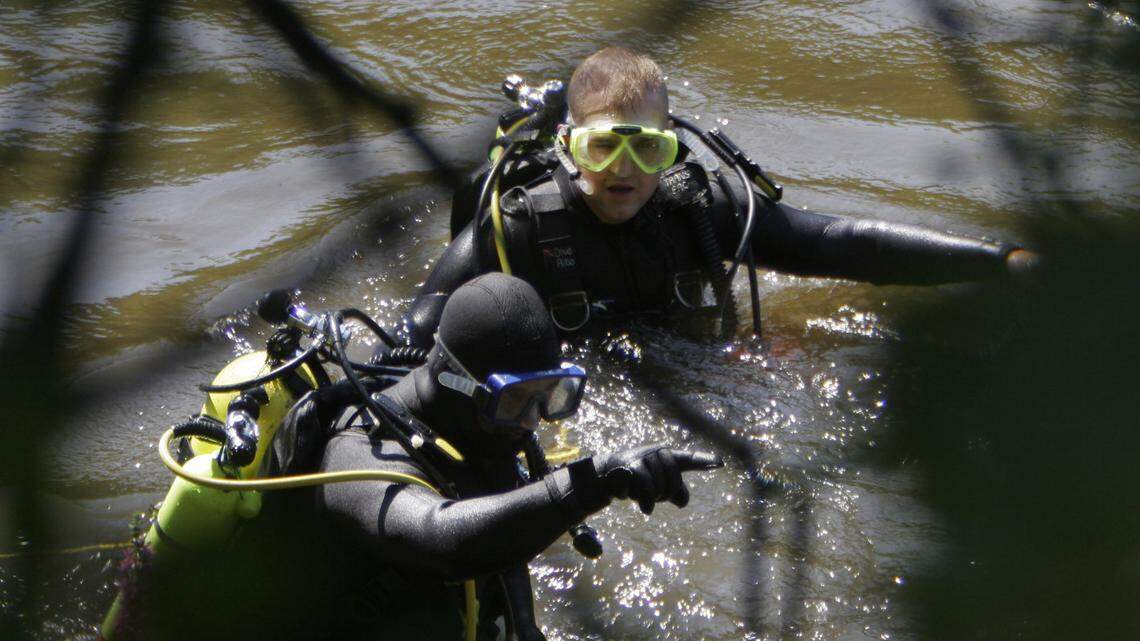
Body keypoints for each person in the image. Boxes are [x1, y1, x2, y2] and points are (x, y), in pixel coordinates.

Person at [388, 47, 1038, 350]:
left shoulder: (697, 207)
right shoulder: (521, 228)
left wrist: (996, 260)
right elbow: (424, 321)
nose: (625, 171)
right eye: (602, 148)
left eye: (648, 149)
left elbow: (838, 242)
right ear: (567, 147)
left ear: (673, 148)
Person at [313, 272, 722, 640]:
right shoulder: (358, 451)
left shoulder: (476, 427)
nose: (531, 421)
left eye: (548, 396)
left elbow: (502, 554)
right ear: (453, 380)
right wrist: (592, 482)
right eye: (515, 400)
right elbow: (443, 540)